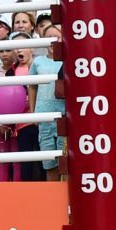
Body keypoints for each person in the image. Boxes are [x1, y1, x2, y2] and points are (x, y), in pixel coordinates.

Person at [31, 24, 64, 181]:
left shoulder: (68, 61)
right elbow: (32, 86)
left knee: (65, 160)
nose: (53, 41)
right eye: (49, 37)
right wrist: (33, 112)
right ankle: (53, 197)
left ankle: (67, 199)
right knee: (49, 162)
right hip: (44, 117)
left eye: (56, 37)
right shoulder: (38, 62)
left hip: (63, 116)